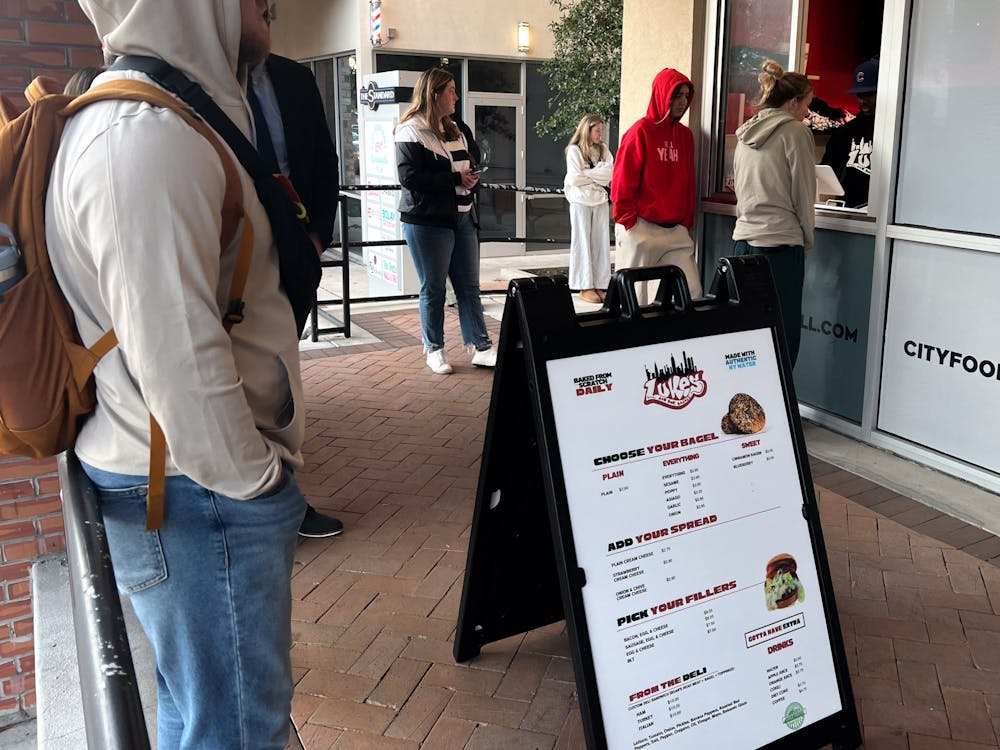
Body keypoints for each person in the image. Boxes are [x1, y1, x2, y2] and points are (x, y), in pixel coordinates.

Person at [47, 1, 305, 747]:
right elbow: (179, 366)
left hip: (184, 491)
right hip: (200, 499)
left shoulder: (158, 119)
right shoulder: (145, 139)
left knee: (204, 713)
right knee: (235, 729)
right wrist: (260, 489)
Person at [248, 54, 344, 539]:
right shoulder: (199, 75)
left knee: (281, 379)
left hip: (295, 251)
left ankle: (284, 501)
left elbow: (324, 161)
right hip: (232, 262)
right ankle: (261, 505)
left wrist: (316, 239)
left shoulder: (293, 77)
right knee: (242, 382)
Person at [394, 68, 497, 375]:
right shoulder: (410, 130)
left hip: (464, 216)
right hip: (427, 221)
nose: (455, 96)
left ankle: (481, 347)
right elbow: (408, 177)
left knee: (469, 286)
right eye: (451, 90)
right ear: (435, 94)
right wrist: (455, 177)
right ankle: (434, 349)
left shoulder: (456, 127)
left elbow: (472, 161)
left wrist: (472, 179)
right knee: (434, 287)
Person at [731, 60, 816, 366]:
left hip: (743, 242)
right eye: (807, 105)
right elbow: (804, 195)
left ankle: (746, 398)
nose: (807, 113)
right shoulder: (795, 132)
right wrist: (807, 239)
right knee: (783, 332)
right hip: (781, 245)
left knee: (745, 332)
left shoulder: (744, 134)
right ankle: (779, 405)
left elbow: (740, 192)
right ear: (793, 102)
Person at [612, 68, 702, 305]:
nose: (682, 102)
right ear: (663, 95)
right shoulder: (640, 132)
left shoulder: (685, 136)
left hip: (675, 232)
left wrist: (686, 222)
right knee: (633, 301)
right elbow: (622, 180)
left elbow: (688, 182)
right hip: (642, 227)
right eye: (676, 95)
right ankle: (630, 343)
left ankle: (681, 342)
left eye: (685, 96)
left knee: (692, 293)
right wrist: (628, 222)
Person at [564, 113, 614, 304]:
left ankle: (601, 283)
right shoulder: (574, 150)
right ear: (587, 130)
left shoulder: (603, 150)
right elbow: (574, 179)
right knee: (582, 241)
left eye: (601, 130)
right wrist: (597, 173)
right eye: (597, 130)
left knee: (600, 242)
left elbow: (610, 173)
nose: (600, 134)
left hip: (599, 199)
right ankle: (585, 285)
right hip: (580, 201)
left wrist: (586, 174)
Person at [822, 59, 878, 208]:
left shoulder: (898, 134)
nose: (862, 101)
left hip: (887, 215)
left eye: (868, 94)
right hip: (851, 212)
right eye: (859, 95)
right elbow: (826, 175)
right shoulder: (844, 133)